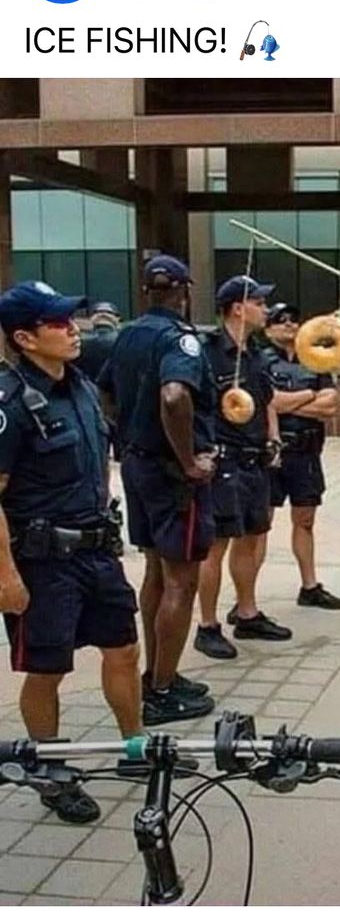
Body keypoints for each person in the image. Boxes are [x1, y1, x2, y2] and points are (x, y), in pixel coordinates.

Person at [0, 281, 141, 824]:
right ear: (25, 337)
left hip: (96, 549)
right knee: (47, 670)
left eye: (71, 319)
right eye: (58, 323)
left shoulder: (81, 385)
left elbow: (100, 460)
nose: (72, 329)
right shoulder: (10, 404)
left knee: (123, 648)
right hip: (41, 561)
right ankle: (51, 769)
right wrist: (7, 576)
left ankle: (136, 747)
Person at [98, 254, 216, 726]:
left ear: (146, 290)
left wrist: (124, 429)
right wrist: (188, 461)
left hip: (139, 467)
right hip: (174, 477)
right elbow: (175, 395)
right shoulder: (180, 339)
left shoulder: (128, 333)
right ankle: (163, 688)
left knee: (155, 570)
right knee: (182, 579)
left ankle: (157, 672)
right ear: (184, 290)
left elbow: (104, 389)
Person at [193, 277, 294, 659]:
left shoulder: (255, 353)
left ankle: (247, 611)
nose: (265, 309)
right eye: (259, 302)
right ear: (237, 308)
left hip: (255, 459)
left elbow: (267, 400)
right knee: (215, 546)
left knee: (252, 537)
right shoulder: (207, 352)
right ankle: (207, 625)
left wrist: (273, 440)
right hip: (223, 462)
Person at [260, 303, 340, 609]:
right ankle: (247, 598)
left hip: (306, 452)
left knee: (305, 520)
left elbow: (330, 406)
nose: (290, 325)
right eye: (280, 321)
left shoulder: (316, 361)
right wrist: (308, 397)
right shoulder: (260, 361)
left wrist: (286, 403)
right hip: (271, 453)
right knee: (259, 525)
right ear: (268, 328)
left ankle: (309, 586)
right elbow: (267, 403)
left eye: (294, 320)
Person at [77, 301, 121, 383]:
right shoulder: (126, 341)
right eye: (99, 312)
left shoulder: (78, 341)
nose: (103, 313)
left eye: (108, 312)